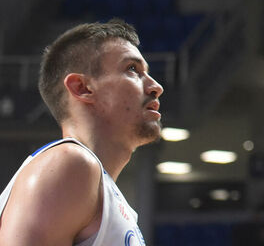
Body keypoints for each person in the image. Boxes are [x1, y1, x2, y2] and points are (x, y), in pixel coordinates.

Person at [0, 19, 162, 245]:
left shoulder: (104, 192)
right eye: (132, 69)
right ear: (82, 88)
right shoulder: (71, 162)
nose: (156, 87)